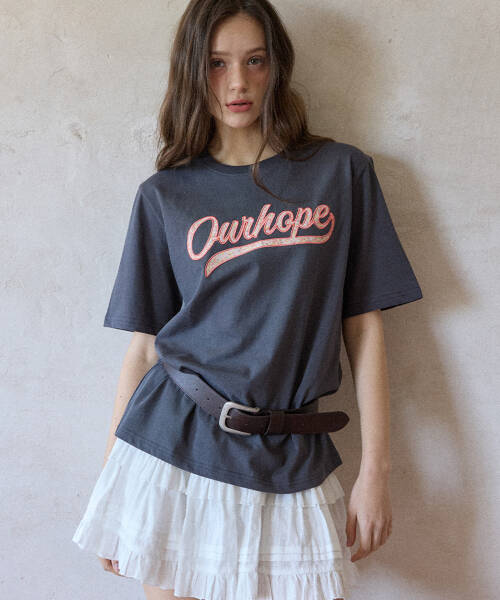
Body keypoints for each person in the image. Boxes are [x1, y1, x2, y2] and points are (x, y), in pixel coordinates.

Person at [72, 1, 423, 599]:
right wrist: (111, 486)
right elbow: (145, 348)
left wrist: (376, 471)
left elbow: (363, 328)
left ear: (276, 66)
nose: (237, 82)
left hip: (293, 453)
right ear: (193, 70)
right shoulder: (165, 195)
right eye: (217, 63)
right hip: (175, 446)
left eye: (254, 61)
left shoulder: (340, 173)